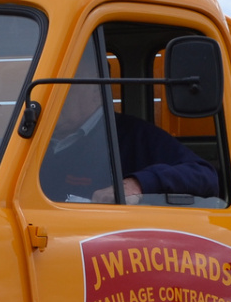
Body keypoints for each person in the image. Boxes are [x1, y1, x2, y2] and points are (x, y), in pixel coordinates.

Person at [39, 51, 219, 205]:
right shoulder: (30, 138)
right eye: (48, 86)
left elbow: (204, 175)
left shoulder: (133, 136)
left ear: (98, 93)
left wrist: (137, 185)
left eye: (65, 88)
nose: (52, 96)